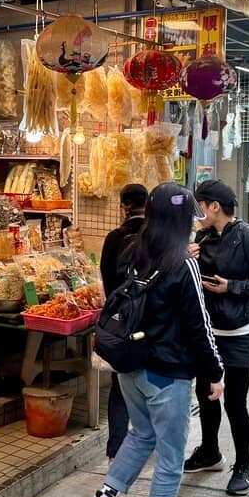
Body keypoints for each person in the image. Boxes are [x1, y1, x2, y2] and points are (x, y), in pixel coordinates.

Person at [80, 183, 224, 497]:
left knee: (141, 434)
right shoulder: (183, 263)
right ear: (179, 220)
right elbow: (199, 325)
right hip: (167, 373)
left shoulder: (135, 252)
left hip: (132, 365)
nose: (194, 224)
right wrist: (216, 371)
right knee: (172, 458)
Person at [185, 179, 249, 496]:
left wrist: (233, 287)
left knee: (235, 403)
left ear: (215, 206)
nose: (198, 213)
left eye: (201, 206)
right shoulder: (203, 236)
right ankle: (210, 452)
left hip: (241, 331)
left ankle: (244, 466)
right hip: (211, 332)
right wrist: (188, 258)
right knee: (205, 395)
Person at [98, 183, 148, 461]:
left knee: (120, 387)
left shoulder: (115, 238)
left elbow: (107, 282)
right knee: (150, 385)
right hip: (151, 324)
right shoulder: (157, 237)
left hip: (123, 323)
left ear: (122, 207)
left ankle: (115, 450)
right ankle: (146, 442)